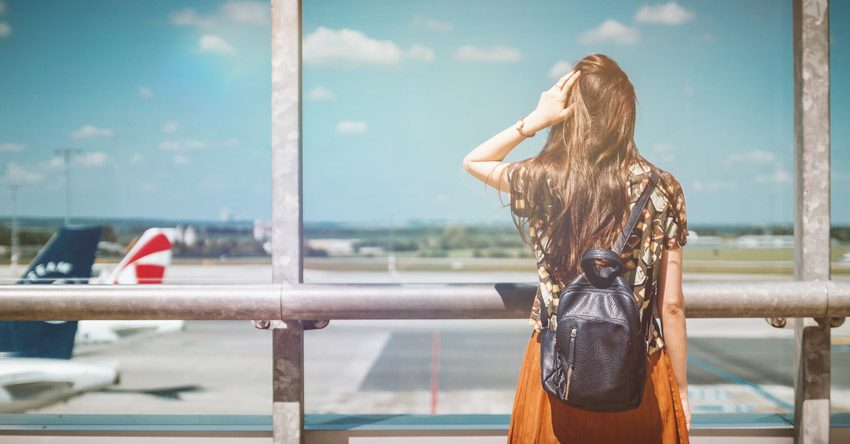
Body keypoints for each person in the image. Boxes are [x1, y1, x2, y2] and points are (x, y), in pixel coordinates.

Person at [462, 53, 691, 443]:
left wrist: (535, 120)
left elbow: (475, 160)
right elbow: (671, 306)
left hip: (556, 367)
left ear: (571, 112)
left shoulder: (545, 179)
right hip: (636, 368)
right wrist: (682, 391)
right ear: (625, 114)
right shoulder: (661, 186)